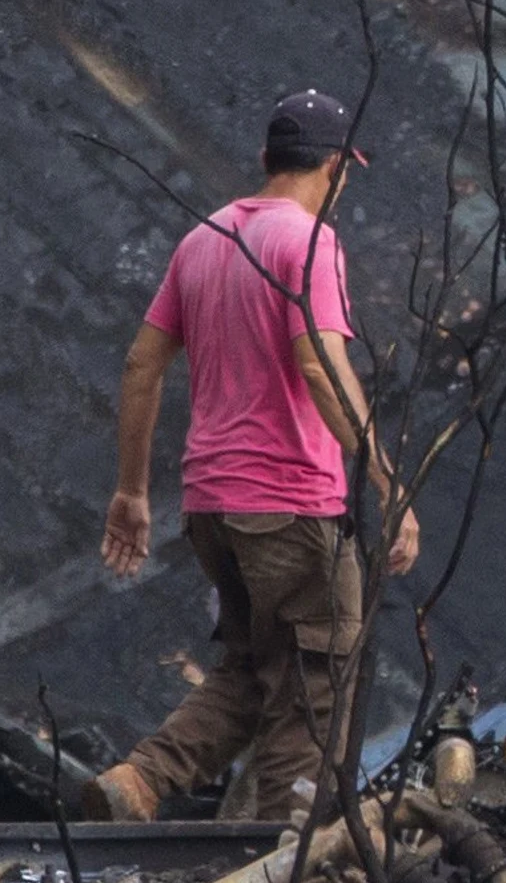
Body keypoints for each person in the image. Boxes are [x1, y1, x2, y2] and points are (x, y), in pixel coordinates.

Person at [86, 90, 420, 821]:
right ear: (334, 168)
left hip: (213, 506)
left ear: (267, 158)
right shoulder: (309, 243)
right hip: (292, 505)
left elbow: (143, 365)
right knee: (317, 682)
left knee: (254, 665)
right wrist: (389, 486)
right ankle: (288, 858)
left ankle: (139, 781)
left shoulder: (203, 238)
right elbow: (319, 367)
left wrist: (132, 492)